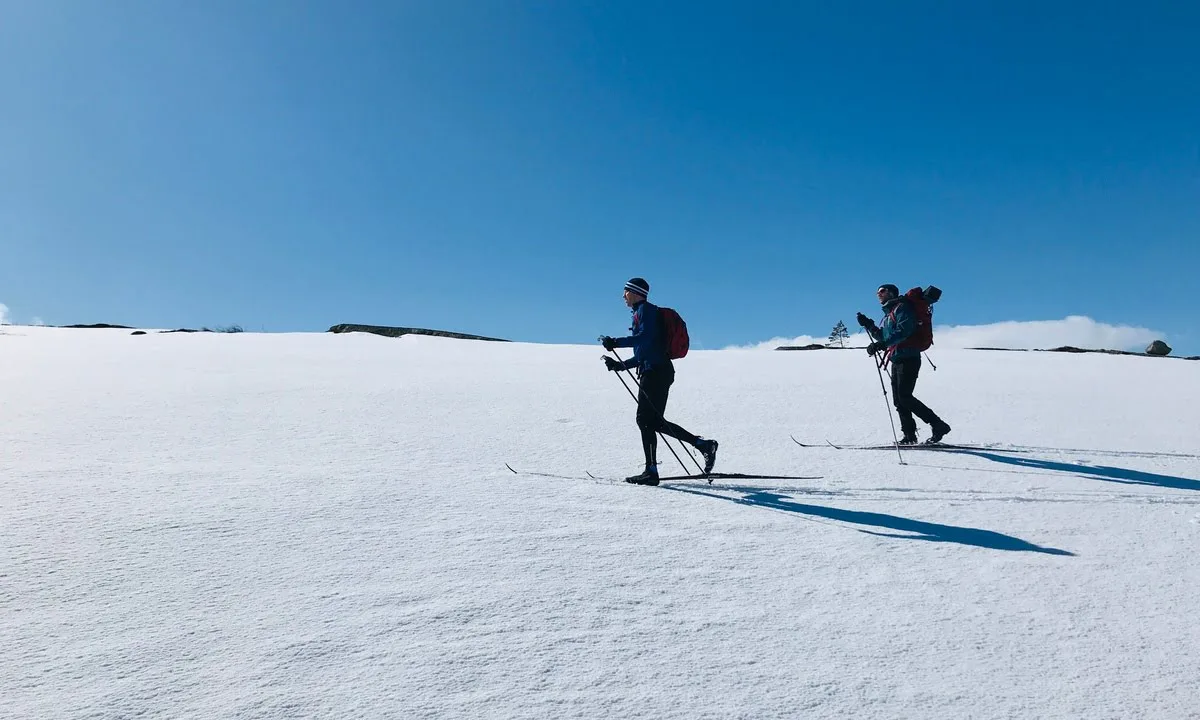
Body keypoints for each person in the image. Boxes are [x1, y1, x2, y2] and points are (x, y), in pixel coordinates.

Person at [599, 277, 718, 485]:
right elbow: (643, 354)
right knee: (652, 421)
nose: (623, 296)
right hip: (656, 370)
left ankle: (652, 471)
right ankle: (702, 445)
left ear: (635, 292)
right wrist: (619, 366)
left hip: (656, 372)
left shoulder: (646, 311)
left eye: (625, 291)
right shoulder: (640, 314)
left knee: (645, 420)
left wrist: (616, 342)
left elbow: (644, 338)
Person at [857, 284, 952, 445]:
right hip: (897, 358)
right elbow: (883, 336)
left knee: (905, 397)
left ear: (892, 292)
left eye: (882, 291)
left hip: (909, 357)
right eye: (877, 292)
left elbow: (904, 331)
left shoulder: (902, 308)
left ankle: (938, 424)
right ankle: (909, 435)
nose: (878, 294)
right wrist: (869, 325)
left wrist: (882, 344)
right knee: (899, 400)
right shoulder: (889, 315)